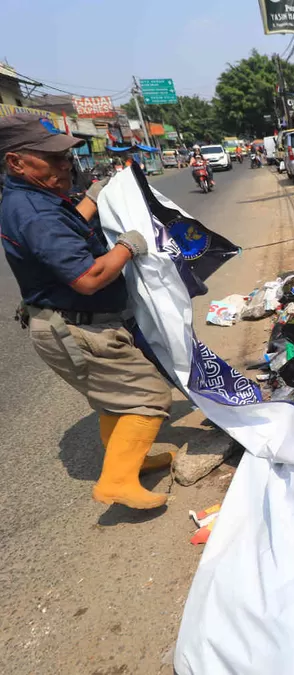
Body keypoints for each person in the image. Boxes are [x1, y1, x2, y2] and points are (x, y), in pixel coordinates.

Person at [0, 114, 173, 510]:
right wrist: (128, 247)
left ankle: (130, 462)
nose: (66, 165)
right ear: (17, 163)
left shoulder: (35, 199)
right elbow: (89, 277)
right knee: (148, 395)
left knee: (116, 399)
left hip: (67, 323)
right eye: (53, 159)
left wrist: (94, 197)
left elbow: (68, 229)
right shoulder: (34, 212)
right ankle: (116, 482)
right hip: (75, 328)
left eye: (67, 157)